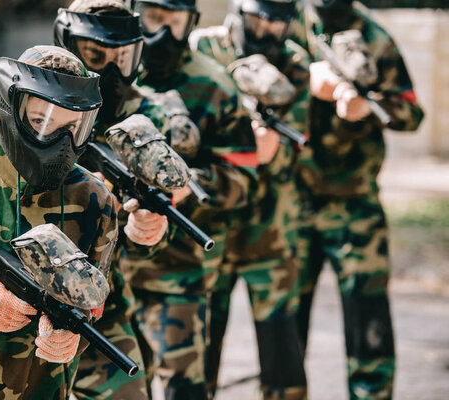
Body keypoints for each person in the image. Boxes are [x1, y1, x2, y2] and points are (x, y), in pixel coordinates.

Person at [0, 45, 151, 399]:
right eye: (41, 121)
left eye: (72, 127)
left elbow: (94, 294)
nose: (59, 141)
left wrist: (74, 329)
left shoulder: (94, 199)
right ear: (9, 111)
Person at [121, 0, 260, 398]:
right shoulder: (112, 73)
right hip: (112, 268)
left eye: (174, 21)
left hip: (180, 269)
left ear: (191, 24)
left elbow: (244, 174)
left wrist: (187, 185)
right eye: (153, 18)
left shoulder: (213, 84)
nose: (162, 32)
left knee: (185, 385)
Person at [292, 1, 425, 398]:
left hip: (354, 203)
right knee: (285, 326)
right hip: (292, 200)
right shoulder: (286, 22)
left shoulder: (374, 36)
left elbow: (411, 113)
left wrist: (368, 106)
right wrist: (306, 84)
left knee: (368, 320)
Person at [52, 1, 178, 399]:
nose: (111, 71)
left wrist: (151, 231)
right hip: (23, 290)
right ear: (68, 43)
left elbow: (166, 215)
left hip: (103, 298)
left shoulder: (149, 115)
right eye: (96, 55)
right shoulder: (30, 102)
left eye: (122, 57)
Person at [189, 1, 309, 398]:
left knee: (282, 354)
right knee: (198, 352)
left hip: (270, 229)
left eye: (277, 24)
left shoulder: (295, 62)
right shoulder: (203, 49)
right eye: (258, 19)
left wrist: (271, 149)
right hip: (209, 224)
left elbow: (297, 147)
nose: (265, 31)